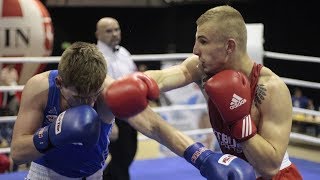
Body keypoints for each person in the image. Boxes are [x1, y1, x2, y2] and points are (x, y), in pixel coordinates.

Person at [10, 41, 256, 180]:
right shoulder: (41, 88)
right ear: (61, 83)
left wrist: (201, 157)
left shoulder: (108, 91)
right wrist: (53, 134)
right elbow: (18, 153)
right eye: (78, 97)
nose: (87, 103)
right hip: (46, 174)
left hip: (93, 175)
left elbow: (154, 126)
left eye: (92, 95)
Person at [142, 5, 303, 179]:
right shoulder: (201, 69)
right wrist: (139, 82)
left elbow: (270, 167)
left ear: (229, 46)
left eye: (203, 41)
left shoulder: (271, 88)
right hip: (231, 173)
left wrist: (240, 122)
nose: (195, 50)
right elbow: (165, 76)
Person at [95, 17, 138, 180]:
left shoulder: (124, 53)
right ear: (98, 34)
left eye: (116, 29)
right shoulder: (96, 57)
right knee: (120, 155)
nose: (114, 34)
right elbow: (97, 91)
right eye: (108, 31)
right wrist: (108, 121)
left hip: (130, 111)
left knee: (129, 152)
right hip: (110, 113)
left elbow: (134, 77)